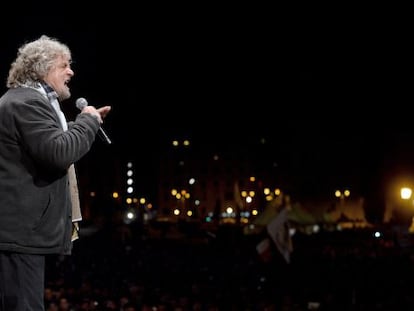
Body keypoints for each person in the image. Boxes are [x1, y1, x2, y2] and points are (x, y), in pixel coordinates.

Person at [0, 35, 111, 310]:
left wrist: (81, 125)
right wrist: (87, 122)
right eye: (65, 65)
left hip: (20, 234)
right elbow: (59, 153)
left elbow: (51, 146)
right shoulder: (27, 102)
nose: (71, 71)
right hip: (20, 235)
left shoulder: (24, 101)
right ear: (43, 67)